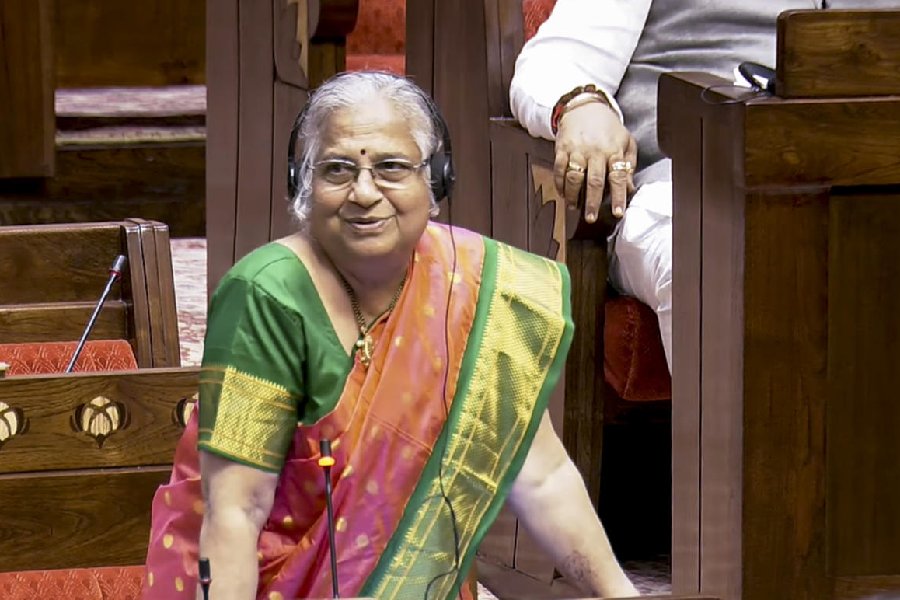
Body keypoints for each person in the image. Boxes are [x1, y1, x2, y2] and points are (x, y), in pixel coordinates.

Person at [142, 71, 639, 600]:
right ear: (302, 184)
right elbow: (236, 511)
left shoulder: (471, 286)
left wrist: (620, 595)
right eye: (337, 169)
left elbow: (543, 477)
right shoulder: (267, 297)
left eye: (391, 168)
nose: (363, 193)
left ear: (437, 181)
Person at [510, 0, 897, 372]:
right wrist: (582, 107)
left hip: (860, 188)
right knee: (712, 264)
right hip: (680, 187)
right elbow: (555, 63)